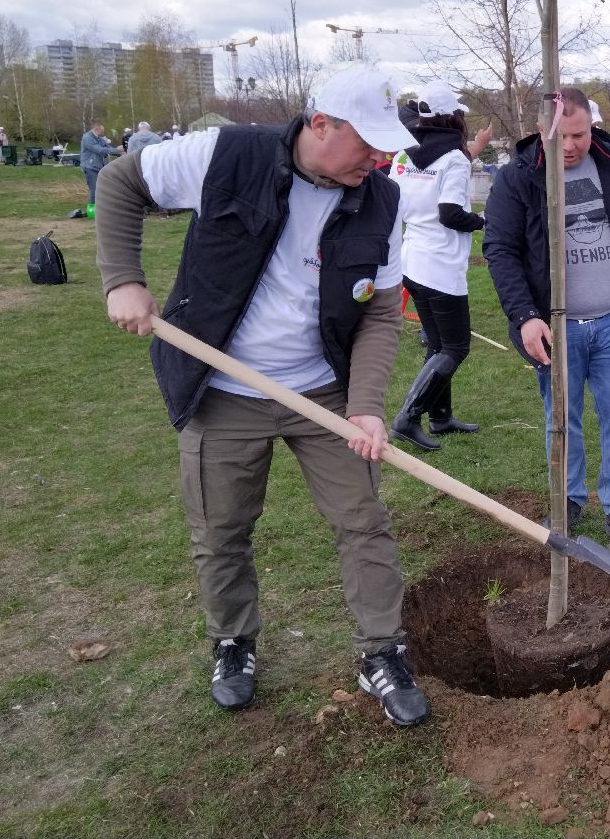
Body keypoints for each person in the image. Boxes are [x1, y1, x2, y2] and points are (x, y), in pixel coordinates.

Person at [94, 66, 431, 726]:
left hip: (323, 390)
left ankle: (380, 652)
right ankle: (233, 642)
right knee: (221, 529)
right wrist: (121, 279)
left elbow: (383, 313)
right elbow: (120, 181)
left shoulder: (381, 202)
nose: (381, 158)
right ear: (322, 125)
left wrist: (364, 404)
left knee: (363, 523)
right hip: (223, 386)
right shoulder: (229, 154)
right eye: (368, 142)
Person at [483, 87, 610, 557]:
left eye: (580, 134)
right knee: (561, 420)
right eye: (560, 136)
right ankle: (567, 499)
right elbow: (500, 250)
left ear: (592, 127)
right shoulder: (518, 179)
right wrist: (526, 316)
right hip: (555, 327)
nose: (570, 146)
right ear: (539, 130)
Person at [388, 81, 486, 451]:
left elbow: (394, 202)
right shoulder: (455, 159)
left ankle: (440, 416)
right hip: (441, 265)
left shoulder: (403, 153)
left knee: (437, 342)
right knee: (456, 347)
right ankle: (407, 417)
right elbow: (450, 214)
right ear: (453, 118)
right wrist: (481, 220)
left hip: (411, 259)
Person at [79, 123, 120, 207]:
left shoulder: (99, 138)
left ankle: (100, 209)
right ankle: (92, 211)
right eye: (102, 131)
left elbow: (107, 147)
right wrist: (116, 150)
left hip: (99, 167)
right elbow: (99, 150)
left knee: (102, 189)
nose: (103, 133)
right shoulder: (87, 138)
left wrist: (121, 153)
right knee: (94, 189)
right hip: (90, 167)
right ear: (96, 129)